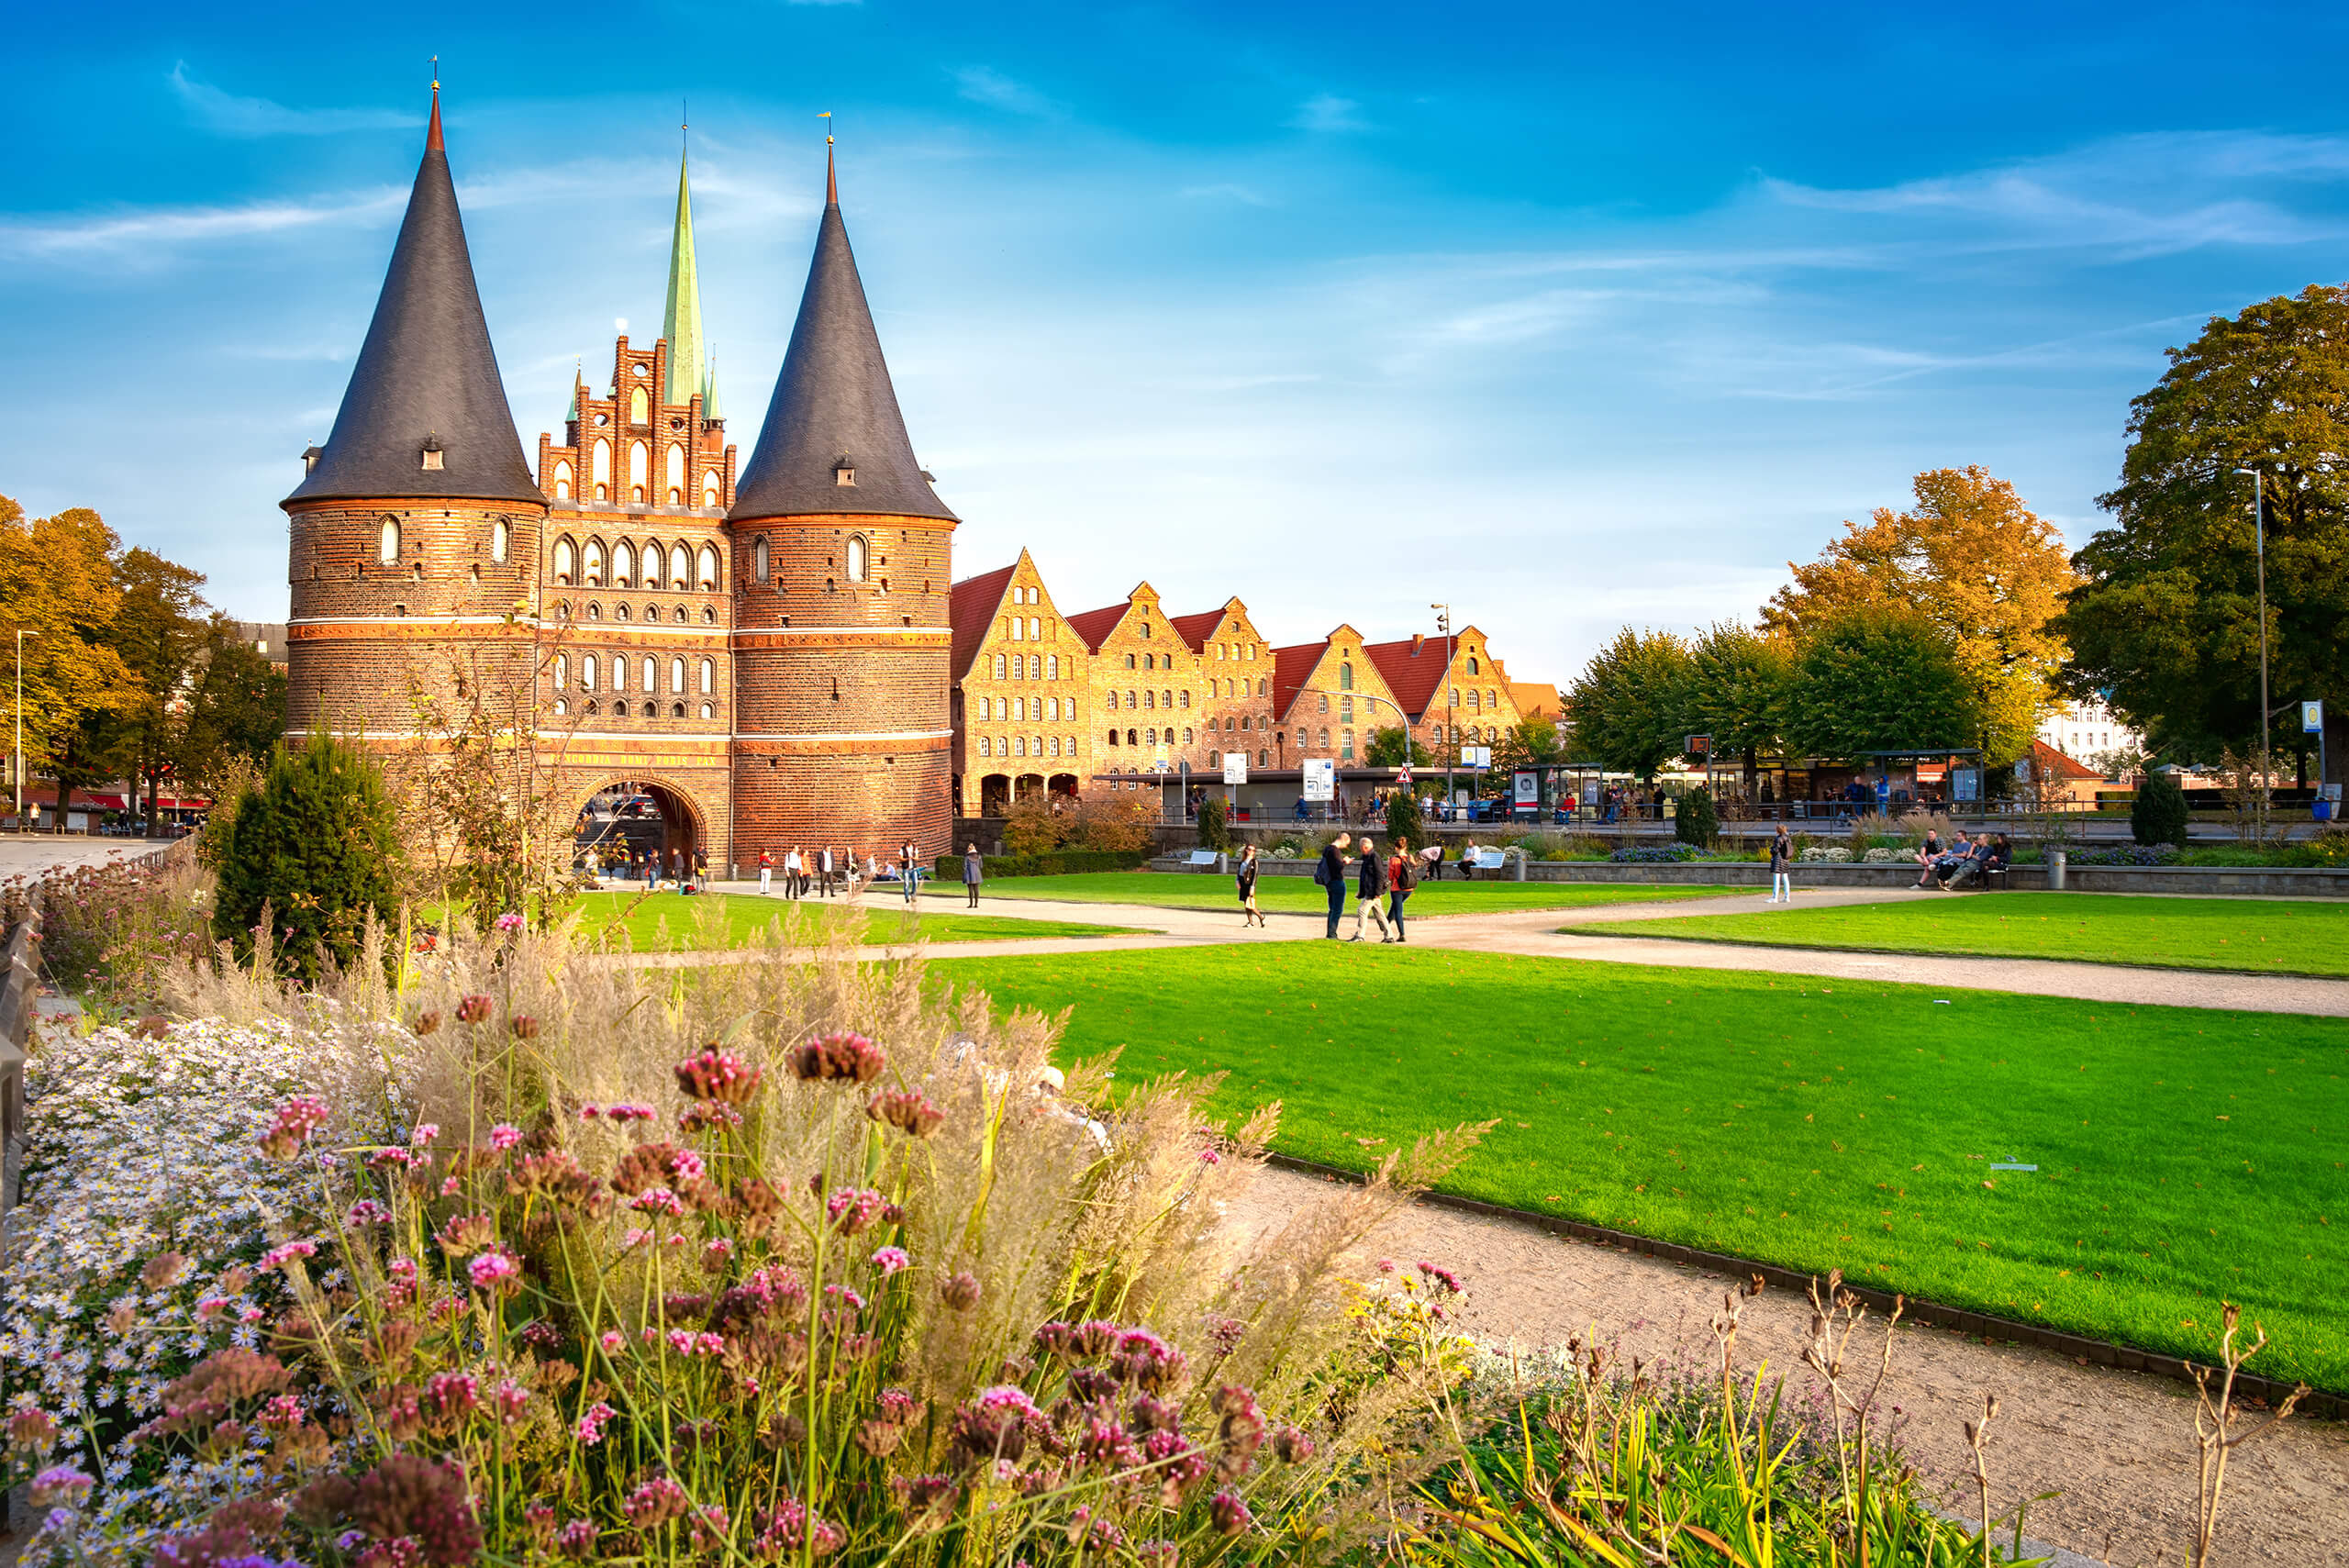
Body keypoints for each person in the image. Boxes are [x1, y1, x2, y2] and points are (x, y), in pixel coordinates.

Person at [1352, 836, 1393, 942]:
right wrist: (1361, 892)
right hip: (1370, 891)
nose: (1360, 849)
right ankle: (1389, 936)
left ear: (1365, 847)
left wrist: (1378, 892)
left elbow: (1380, 876)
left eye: (1361, 847)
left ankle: (1360, 935)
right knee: (1379, 914)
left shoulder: (1375, 857)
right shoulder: (1367, 858)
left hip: (1373, 891)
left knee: (1361, 910)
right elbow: (1365, 877)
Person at [1317, 833, 1351, 939]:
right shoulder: (1334, 851)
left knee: (1332, 908)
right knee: (1337, 909)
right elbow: (1337, 867)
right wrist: (1345, 862)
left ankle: (1330, 932)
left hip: (1329, 882)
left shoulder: (1327, 849)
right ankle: (1332, 933)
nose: (1345, 847)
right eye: (1346, 844)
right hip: (1336, 881)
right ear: (1344, 840)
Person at [1387, 837, 1416, 941]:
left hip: (1397, 888)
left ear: (1396, 848)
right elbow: (1414, 867)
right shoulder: (1409, 857)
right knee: (1394, 906)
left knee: (1398, 910)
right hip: (1409, 888)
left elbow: (1390, 876)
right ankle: (1386, 924)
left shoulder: (1394, 859)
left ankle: (1402, 934)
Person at [1236, 843, 1264, 928]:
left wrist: (1252, 887)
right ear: (1246, 850)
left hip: (1249, 884)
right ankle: (1250, 922)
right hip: (1242, 883)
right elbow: (1239, 873)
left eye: (1253, 850)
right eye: (1249, 849)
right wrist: (1237, 881)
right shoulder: (1242, 861)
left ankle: (1261, 917)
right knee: (1245, 903)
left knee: (1250, 904)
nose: (1251, 851)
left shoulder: (1254, 862)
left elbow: (1255, 875)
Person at [1767, 826, 1792, 904]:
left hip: (1778, 859)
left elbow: (1776, 849)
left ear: (1778, 830)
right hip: (1785, 859)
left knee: (1776, 879)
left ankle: (1775, 897)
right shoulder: (1788, 838)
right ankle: (1787, 897)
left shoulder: (1778, 838)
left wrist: (1771, 850)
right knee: (1785, 879)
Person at [963, 842, 984, 907]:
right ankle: (976, 904)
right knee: (976, 889)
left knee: (970, 890)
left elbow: (964, 867)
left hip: (969, 874)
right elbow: (981, 866)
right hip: (977, 874)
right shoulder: (979, 857)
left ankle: (971, 904)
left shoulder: (967, 858)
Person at [900, 840, 920, 906]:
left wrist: (913, 858)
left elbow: (917, 858)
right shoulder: (902, 849)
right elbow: (900, 859)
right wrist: (907, 859)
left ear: (911, 843)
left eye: (910, 843)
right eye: (907, 843)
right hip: (906, 869)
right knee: (906, 883)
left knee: (915, 882)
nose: (908, 844)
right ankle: (906, 897)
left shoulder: (915, 848)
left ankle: (913, 895)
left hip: (913, 869)